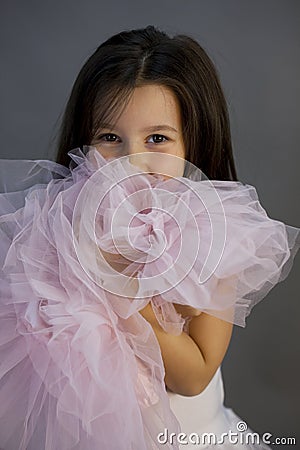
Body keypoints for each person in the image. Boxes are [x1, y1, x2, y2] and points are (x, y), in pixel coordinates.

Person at [0, 26, 299, 450]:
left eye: (156, 139)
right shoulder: (56, 224)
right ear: (84, 143)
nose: (131, 161)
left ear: (193, 142)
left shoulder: (213, 234)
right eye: (109, 139)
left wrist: (120, 294)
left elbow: (194, 375)